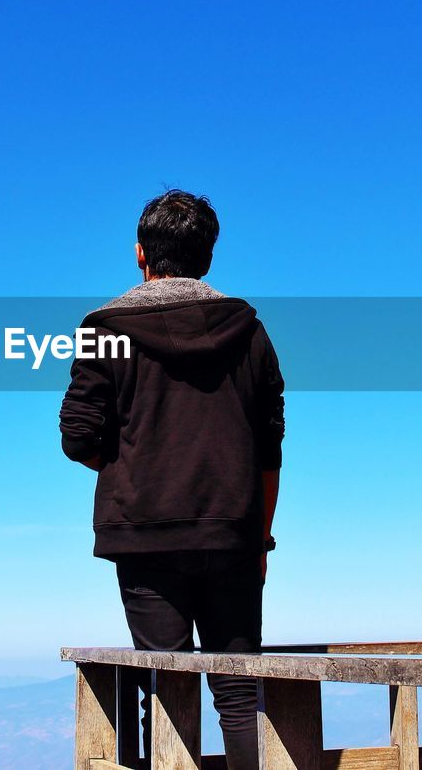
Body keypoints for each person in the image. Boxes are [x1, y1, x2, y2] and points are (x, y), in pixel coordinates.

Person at [59, 189, 285, 769]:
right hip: (233, 531)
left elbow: (78, 437)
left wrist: (139, 468)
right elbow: (269, 444)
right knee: (238, 693)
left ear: (141, 254)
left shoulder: (104, 328)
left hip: (144, 533)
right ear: (207, 256)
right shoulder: (249, 331)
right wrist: (260, 536)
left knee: (164, 686)